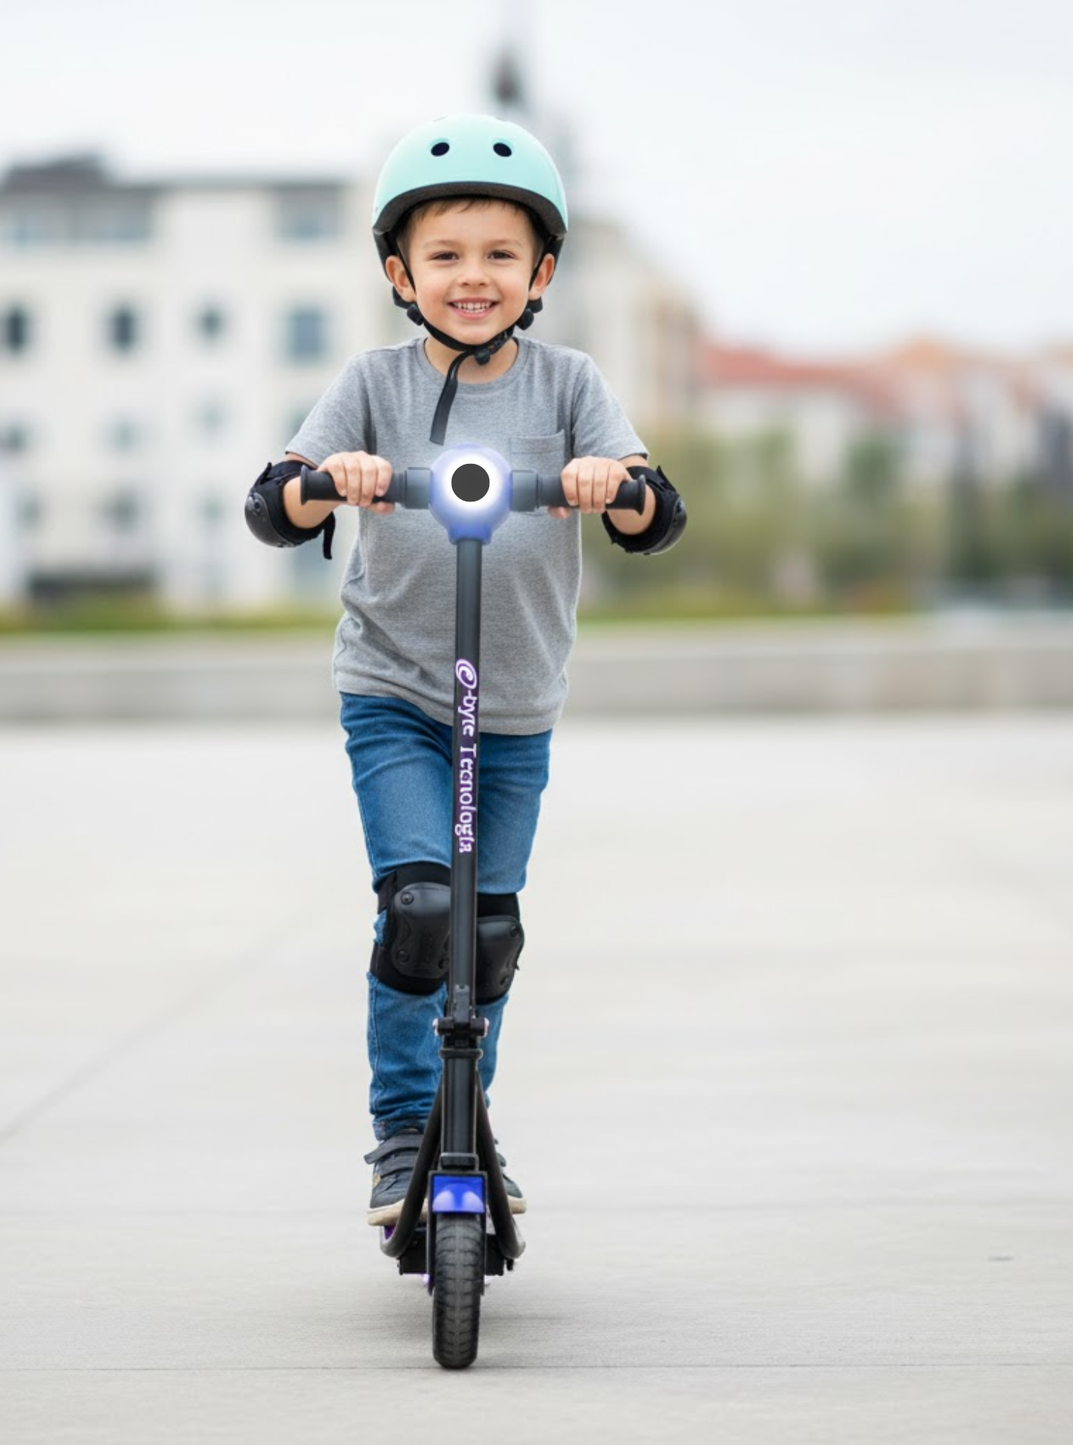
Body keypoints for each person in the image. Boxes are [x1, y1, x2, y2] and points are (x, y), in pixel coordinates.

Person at [245, 114, 686, 1226]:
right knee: (420, 913)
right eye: (444, 256)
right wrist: (327, 479)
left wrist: (610, 486)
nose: (471, 277)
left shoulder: (569, 383)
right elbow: (271, 504)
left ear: (540, 272)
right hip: (395, 694)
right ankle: (405, 1134)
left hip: (517, 708)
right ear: (399, 271)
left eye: (498, 255)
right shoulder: (370, 382)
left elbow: (654, 511)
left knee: (485, 933)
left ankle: (465, 1126)